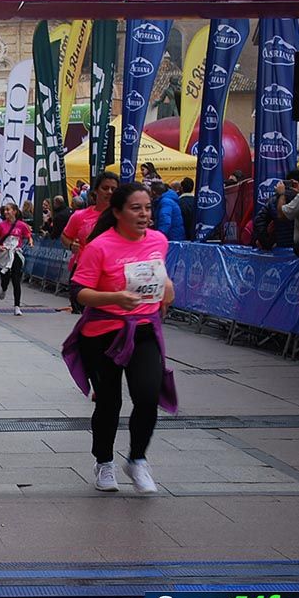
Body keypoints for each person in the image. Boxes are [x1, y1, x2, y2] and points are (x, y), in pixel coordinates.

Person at [62, 182, 177, 494]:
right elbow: (79, 293)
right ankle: (104, 462)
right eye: (136, 208)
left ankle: (137, 459)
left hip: (143, 330)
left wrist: (167, 287)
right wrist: (114, 297)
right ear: (117, 212)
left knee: (148, 395)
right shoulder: (100, 246)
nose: (144, 215)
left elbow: (161, 277)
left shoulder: (158, 240)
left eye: (148, 208)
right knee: (110, 402)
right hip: (102, 334)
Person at [61, 172, 120, 313]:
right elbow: (65, 236)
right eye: (105, 188)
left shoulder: (122, 216)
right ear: (95, 191)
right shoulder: (80, 216)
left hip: (113, 274)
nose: (109, 192)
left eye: (113, 189)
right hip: (85, 272)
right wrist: (70, 245)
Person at [0, 203, 34, 316]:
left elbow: (28, 235)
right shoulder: (1, 225)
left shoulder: (21, 225)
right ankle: (3, 288)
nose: (6, 212)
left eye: (8, 210)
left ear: (15, 211)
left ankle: (17, 306)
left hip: (16, 253)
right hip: (5, 254)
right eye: (5, 210)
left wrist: (30, 242)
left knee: (16, 280)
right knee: (5, 278)